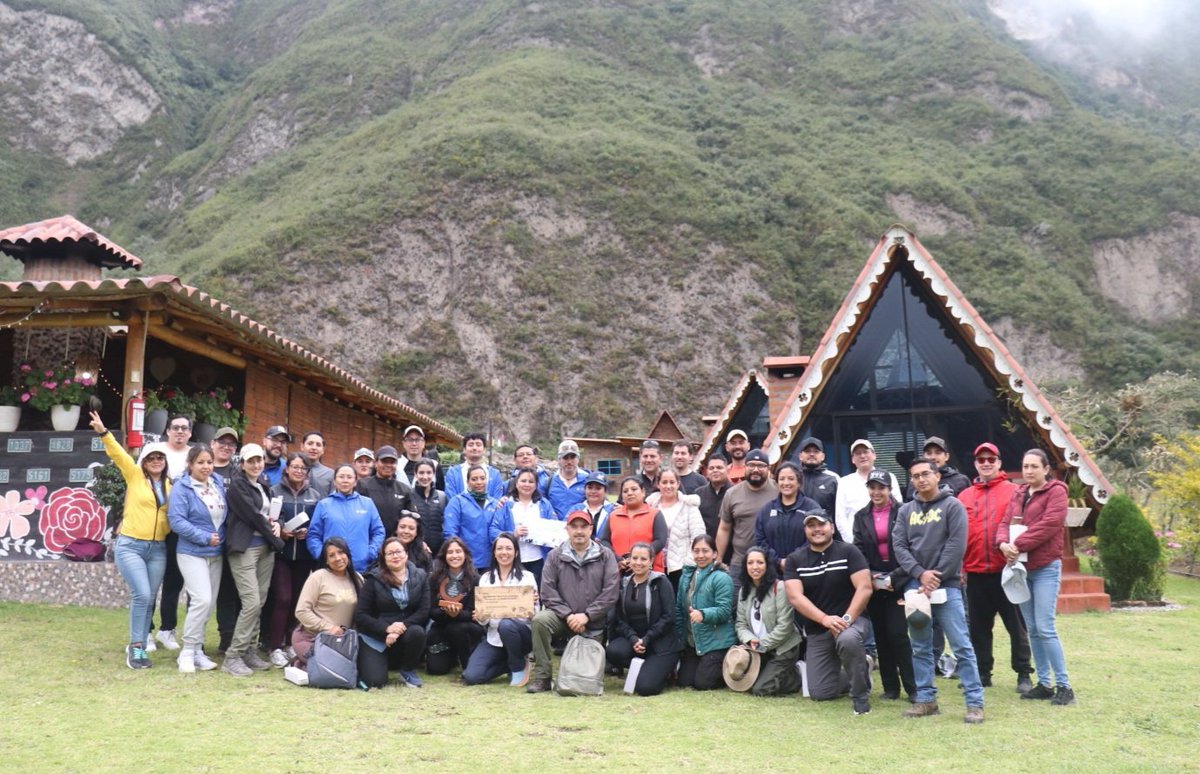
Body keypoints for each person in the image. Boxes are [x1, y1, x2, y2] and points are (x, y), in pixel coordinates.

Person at [893, 459, 985, 724]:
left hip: (948, 586)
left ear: (936, 476)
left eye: (925, 474)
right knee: (920, 646)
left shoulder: (952, 506)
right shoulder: (905, 510)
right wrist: (920, 574)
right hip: (915, 586)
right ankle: (926, 700)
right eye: (915, 476)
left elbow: (956, 545)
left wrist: (935, 577)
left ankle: (975, 703)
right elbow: (900, 546)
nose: (921, 480)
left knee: (961, 645)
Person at [91, 411, 171, 669]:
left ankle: (141, 640)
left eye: (161, 457)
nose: (156, 461)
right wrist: (104, 433)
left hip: (158, 548)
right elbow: (118, 455)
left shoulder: (172, 485)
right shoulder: (135, 476)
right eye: (152, 457)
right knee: (142, 594)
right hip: (131, 545)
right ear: (144, 462)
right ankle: (136, 648)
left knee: (150, 598)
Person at [998, 449, 1075, 706]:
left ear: (1045, 469)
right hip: (1020, 569)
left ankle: (1064, 686)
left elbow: (1050, 524)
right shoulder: (1019, 493)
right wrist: (1002, 544)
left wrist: (1017, 544)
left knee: (1045, 627)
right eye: (1025, 466)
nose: (1029, 471)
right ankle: (1044, 683)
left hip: (1044, 567)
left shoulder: (1057, 492)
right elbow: (1004, 522)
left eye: (1034, 466)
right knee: (1031, 628)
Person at [959, 442, 1032, 693]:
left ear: (999, 463)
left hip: (1007, 571)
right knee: (978, 628)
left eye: (991, 459)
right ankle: (982, 672)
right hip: (976, 572)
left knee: (1017, 626)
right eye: (981, 459)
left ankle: (1023, 672)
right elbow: (958, 535)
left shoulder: (1015, 492)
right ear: (976, 464)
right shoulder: (965, 496)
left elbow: (1025, 526)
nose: (986, 463)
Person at [784, 511, 874, 714]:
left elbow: (865, 588)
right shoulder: (795, 560)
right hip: (818, 629)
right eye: (811, 526)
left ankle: (860, 698)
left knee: (848, 639)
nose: (817, 529)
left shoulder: (849, 552)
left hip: (850, 622)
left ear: (832, 527)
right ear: (805, 530)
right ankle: (860, 669)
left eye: (821, 524)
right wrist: (824, 619)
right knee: (820, 692)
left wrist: (846, 619)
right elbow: (795, 598)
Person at [527, 510, 620, 693]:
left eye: (584, 527)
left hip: (593, 620)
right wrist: (568, 615)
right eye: (574, 527)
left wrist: (587, 615)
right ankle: (543, 678)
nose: (579, 531)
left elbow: (610, 592)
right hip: (562, 618)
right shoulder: (555, 555)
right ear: (567, 529)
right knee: (540, 621)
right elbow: (547, 590)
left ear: (591, 529)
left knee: (583, 681)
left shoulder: (605, 555)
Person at [222, 443, 286, 677]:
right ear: (242, 464)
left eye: (259, 460)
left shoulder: (262, 485)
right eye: (251, 461)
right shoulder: (238, 485)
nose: (256, 464)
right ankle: (233, 656)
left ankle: (249, 650)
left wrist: (277, 525)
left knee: (259, 601)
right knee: (250, 602)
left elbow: (267, 517)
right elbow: (252, 516)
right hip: (244, 549)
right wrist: (277, 541)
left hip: (264, 550)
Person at [852, 469, 917, 701]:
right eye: (872, 487)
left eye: (881, 487)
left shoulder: (904, 511)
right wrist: (871, 577)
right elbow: (857, 549)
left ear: (890, 489)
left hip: (900, 579)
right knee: (880, 635)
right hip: (874, 582)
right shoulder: (861, 516)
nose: (876, 492)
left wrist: (895, 578)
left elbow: (911, 547)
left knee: (898, 634)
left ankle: (913, 687)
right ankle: (891, 688)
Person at [167, 444, 227, 673]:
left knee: (209, 604)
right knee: (201, 599)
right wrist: (204, 537)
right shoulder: (182, 488)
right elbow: (177, 521)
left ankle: (199, 651)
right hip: (191, 552)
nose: (206, 466)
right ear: (190, 464)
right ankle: (187, 651)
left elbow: (223, 516)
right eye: (200, 462)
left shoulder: (218, 483)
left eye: (209, 462)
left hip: (216, 553)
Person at [606, 542, 682, 696]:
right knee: (613, 651)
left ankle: (665, 670)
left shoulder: (661, 582)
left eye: (643, 559)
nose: (638, 563)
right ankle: (647, 667)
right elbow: (620, 620)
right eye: (634, 558)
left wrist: (647, 638)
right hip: (636, 641)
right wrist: (633, 639)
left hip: (661, 642)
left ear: (651, 561)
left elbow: (669, 617)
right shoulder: (624, 583)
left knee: (645, 688)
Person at [465, 532, 539, 686]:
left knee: (506, 624)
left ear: (516, 552)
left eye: (508, 548)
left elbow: (536, 617)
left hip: (521, 636)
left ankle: (517, 667)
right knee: (471, 676)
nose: (504, 552)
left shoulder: (527, 577)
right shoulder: (485, 578)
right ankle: (511, 663)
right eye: (499, 549)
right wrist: (480, 616)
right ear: (494, 553)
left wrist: (530, 605)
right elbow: (483, 622)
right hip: (494, 638)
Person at [267, 452, 320, 668]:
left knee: (298, 601)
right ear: (286, 468)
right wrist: (282, 530)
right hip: (282, 553)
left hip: (304, 555)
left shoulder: (315, 494)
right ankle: (274, 646)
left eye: (303, 468)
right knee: (283, 598)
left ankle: (290, 641)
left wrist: (308, 532)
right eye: (295, 467)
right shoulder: (274, 491)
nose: (298, 471)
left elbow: (318, 521)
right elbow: (269, 518)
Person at [354, 538, 430, 688]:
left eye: (398, 552)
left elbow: (424, 610)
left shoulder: (421, 575)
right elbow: (361, 615)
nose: (395, 556)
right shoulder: (373, 579)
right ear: (383, 558)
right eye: (390, 553)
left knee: (417, 632)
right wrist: (387, 629)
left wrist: (400, 627)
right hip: (376, 634)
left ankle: (408, 670)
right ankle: (381, 662)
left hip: (406, 631)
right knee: (375, 681)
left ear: (406, 554)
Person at [733, 547, 802, 696]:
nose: (755, 567)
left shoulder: (780, 587)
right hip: (759, 649)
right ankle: (781, 672)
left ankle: (797, 678)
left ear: (767, 565)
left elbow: (785, 626)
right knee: (747, 684)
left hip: (783, 648)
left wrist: (762, 644)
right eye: (750, 563)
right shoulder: (743, 590)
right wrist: (750, 640)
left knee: (760, 689)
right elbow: (740, 624)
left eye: (760, 562)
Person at [153, 414, 193, 653]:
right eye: (175, 427)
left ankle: (168, 629)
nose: (179, 431)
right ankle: (146, 632)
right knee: (152, 582)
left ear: (190, 432)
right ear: (167, 430)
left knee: (175, 581)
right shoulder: (155, 450)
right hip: (156, 527)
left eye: (184, 428)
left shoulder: (195, 454)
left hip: (184, 529)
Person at [675, 534, 735, 690]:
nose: (700, 555)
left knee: (702, 684)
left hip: (716, 643)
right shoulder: (685, 577)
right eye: (696, 551)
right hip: (693, 643)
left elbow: (724, 611)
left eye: (705, 551)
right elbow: (679, 610)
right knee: (684, 682)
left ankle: (727, 666)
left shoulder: (722, 578)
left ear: (715, 554)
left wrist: (703, 614)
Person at [291, 537, 361, 669]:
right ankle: (302, 664)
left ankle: (307, 665)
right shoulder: (318, 577)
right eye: (332, 555)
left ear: (348, 554)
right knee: (334, 667)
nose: (338, 558)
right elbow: (301, 611)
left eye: (341, 552)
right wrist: (328, 627)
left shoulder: (357, 579)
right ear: (326, 561)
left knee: (351, 668)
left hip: (341, 641)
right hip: (311, 638)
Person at [716, 449, 778, 588]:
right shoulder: (732, 494)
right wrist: (719, 557)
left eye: (761, 466)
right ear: (745, 467)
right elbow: (724, 528)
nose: (755, 469)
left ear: (768, 469)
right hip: (740, 563)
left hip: (771, 562)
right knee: (736, 605)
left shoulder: (778, 491)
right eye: (751, 465)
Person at [306, 465, 385, 574]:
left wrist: (370, 553)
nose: (345, 480)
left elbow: (378, 531)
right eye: (341, 477)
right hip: (331, 567)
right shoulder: (324, 505)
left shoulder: (367, 504)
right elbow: (313, 535)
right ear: (334, 481)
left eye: (349, 477)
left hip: (361, 567)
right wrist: (322, 556)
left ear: (355, 481)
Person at [426, 537, 485, 676]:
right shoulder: (434, 578)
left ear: (465, 554)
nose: (454, 556)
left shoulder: (476, 579)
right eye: (450, 552)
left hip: (467, 628)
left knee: (457, 628)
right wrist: (446, 612)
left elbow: (474, 613)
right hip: (442, 626)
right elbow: (430, 611)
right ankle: (451, 655)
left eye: (458, 551)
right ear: (444, 556)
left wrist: (457, 614)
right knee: (436, 670)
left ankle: (467, 662)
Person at [493, 467, 560, 582]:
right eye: (523, 481)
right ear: (516, 483)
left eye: (531, 481)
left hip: (538, 559)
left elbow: (555, 530)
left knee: (535, 594)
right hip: (511, 559)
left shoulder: (544, 504)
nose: (527, 484)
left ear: (536, 485)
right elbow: (493, 530)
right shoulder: (506, 504)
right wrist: (512, 534)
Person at [753, 462, 822, 573]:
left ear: (799, 482)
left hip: (806, 568)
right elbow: (760, 540)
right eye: (782, 479)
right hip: (773, 572)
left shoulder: (811, 508)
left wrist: (792, 560)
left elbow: (817, 536)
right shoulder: (766, 510)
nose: (786, 483)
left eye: (791, 479)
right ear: (777, 482)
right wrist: (777, 561)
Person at [647, 468, 706, 589]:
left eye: (672, 482)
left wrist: (688, 562)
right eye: (664, 482)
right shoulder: (651, 506)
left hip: (681, 567)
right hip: (655, 566)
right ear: (658, 484)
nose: (668, 486)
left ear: (678, 484)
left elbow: (698, 537)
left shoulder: (689, 507)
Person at [834, 439, 900, 545]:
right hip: (857, 542)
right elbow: (840, 517)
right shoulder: (844, 482)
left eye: (866, 452)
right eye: (858, 453)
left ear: (874, 455)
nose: (862, 456)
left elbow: (898, 510)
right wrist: (853, 542)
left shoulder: (890, 477)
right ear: (852, 459)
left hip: (889, 540)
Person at [599, 477, 668, 575]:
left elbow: (660, 540)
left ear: (643, 492)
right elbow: (604, 540)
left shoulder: (655, 514)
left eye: (634, 489)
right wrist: (617, 559)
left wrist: (638, 558)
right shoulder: (613, 515)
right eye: (625, 491)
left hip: (649, 572)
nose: (630, 493)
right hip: (619, 571)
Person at [443, 465, 504, 571]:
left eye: (482, 478)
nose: (479, 482)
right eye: (474, 479)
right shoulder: (457, 502)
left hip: (491, 562)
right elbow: (450, 532)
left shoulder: (494, 503)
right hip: (466, 562)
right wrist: (457, 555)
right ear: (467, 482)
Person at [357, 445, 414, 538]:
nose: (388, 465)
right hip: (369, 540)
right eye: (384, 461)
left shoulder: (404, 489)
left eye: (392, 462)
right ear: (375, 463)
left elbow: (410, 519)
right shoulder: (363, 485)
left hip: (396, 543)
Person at [444, 431, 505, 499]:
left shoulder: (495, 474)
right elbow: (451, 499)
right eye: (470, 445)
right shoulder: (453, 473)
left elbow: (497, 501)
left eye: (478, 445)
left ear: (484, 449)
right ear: (464, 449)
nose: (474, 448)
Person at [409, 458, 448, 555]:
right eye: (421, 473)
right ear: (415, 473)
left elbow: (446, 524)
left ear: (434, 474)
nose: (425, 477)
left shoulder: (442, 496)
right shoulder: (409, 496)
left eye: (429, 472)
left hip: (439, 553)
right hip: (416, 552)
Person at [796, 436, 838, 515]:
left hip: (822, 526)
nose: (812, 454)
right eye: (807, 451)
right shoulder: (793, 478)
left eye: (816, 451)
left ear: (823, 456)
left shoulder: (833, 479)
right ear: (800, 456)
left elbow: (840, 510)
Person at [546, 440, 589, 517]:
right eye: (565, 458)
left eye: (573, 457)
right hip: (555, 527)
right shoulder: (549, 482)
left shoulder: (588, 480)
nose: (569, 462)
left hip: (579, 527)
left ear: (578, 459)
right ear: (559, 460)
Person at [697, 454, 731, 540]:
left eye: (719, 467)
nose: (715, 470)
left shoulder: (735, 493)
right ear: (707, 471)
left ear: (727, 470)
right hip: (705, 546)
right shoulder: (699, 493)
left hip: (730, 545)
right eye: (711, 468)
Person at [398, 425, 444, 490]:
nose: (414, 443)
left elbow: (440, 493)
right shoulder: (396, 465)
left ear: (423, 443)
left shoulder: (434, 466)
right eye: (410, 440)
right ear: (404, 443)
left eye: (418, 439)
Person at [577, 471, 616, 537]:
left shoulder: (613, 510)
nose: (593, 491)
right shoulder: (576, 509)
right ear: (584, 490)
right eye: (590, 488)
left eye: (598, 488)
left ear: (606, 491)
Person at [300, 431, 334, 496]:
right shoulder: (293, 471)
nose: (314, 448)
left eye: (318, 445)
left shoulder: (330, 474)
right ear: (302, 446)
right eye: (310, 444)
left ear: (323, 450)